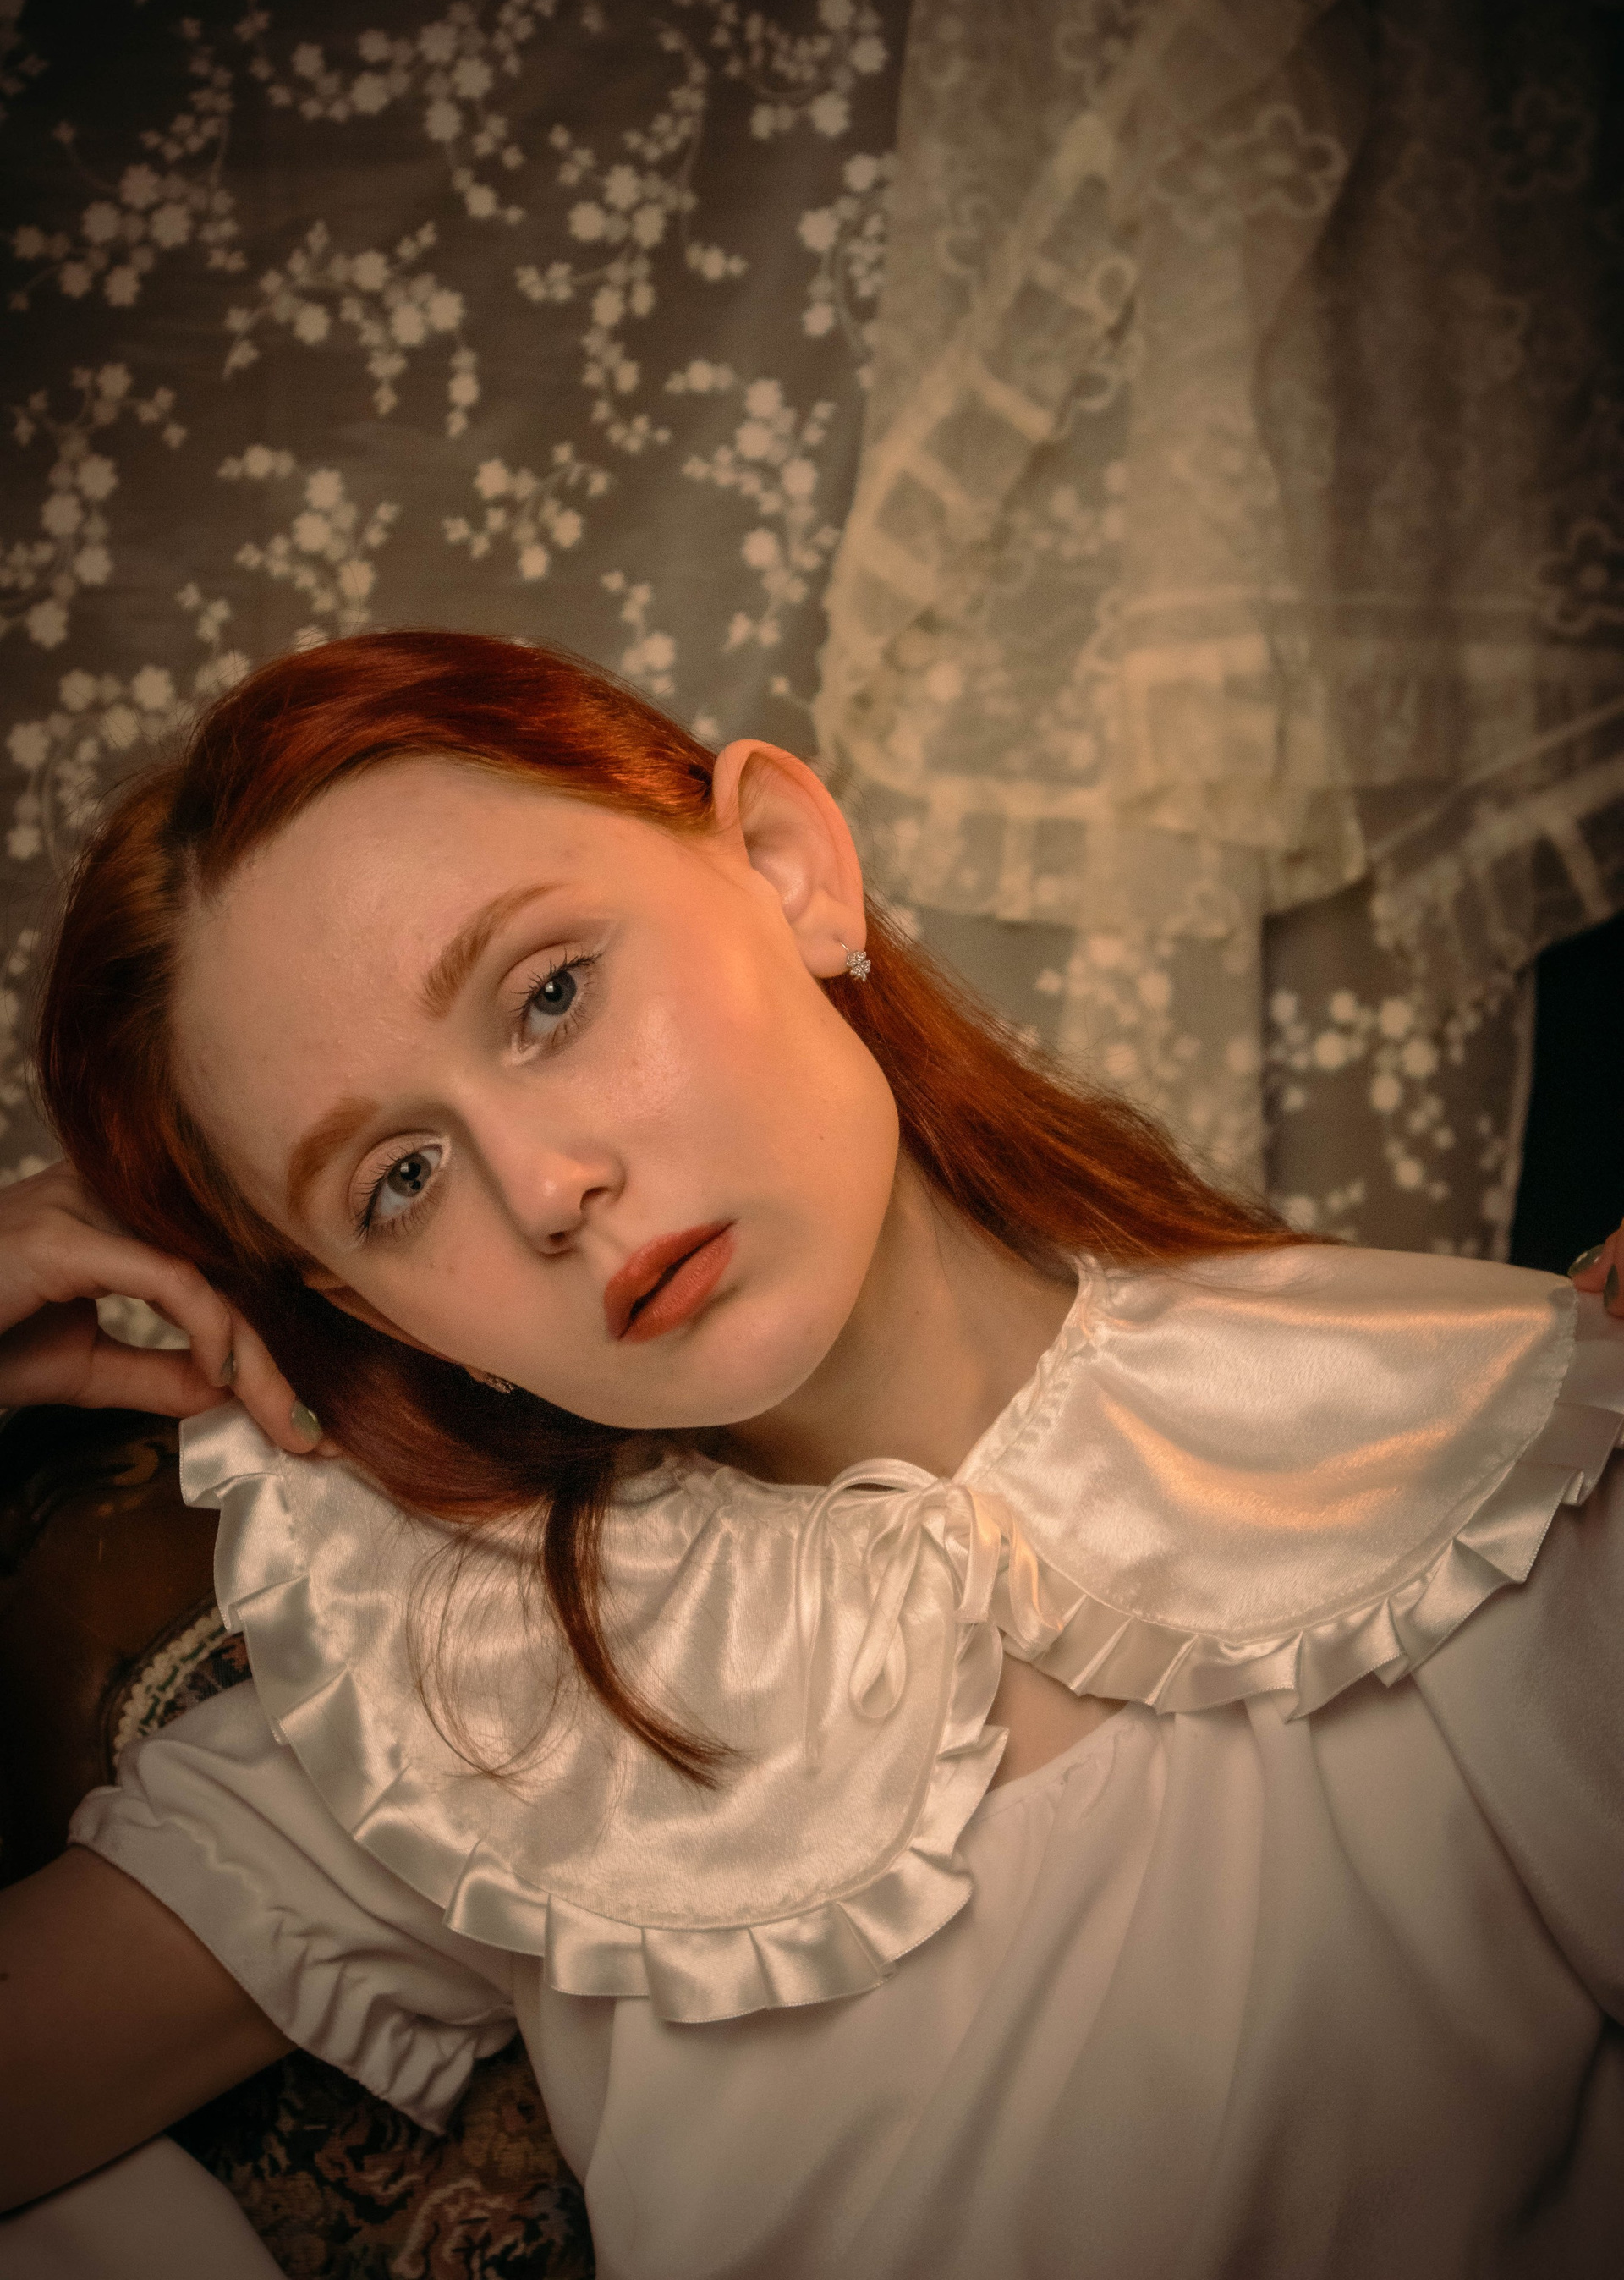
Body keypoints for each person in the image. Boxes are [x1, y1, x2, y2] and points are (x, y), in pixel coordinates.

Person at [0, 629, 1621, 2280]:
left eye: (550, 995)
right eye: (397, 1182)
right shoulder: (457, 1707)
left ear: (788, 870)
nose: (546, 1186)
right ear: (379, 1312)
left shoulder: (1492, 1453)